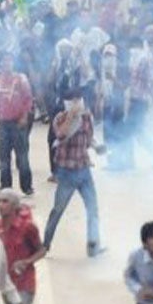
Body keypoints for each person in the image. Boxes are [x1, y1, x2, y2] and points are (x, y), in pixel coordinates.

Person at [43, 89, 104, 257]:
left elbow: (89, 138)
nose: (78, 103)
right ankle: (45, 245)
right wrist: (71, 116)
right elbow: (61, 134)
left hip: (83, 169)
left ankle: (93, 246)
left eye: (80, 99)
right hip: (67, 172)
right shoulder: (60, 118)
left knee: (93, 209)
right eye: (73, 100)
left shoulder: (87, 117)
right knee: (58, 210)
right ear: (67, 103)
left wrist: (96, 146)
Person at [0, 50, 34, 195]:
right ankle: (5, 186)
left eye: (9, 60)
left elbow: (28, 99)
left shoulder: (21, 79)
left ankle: (27, 186)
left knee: (22, 157)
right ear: (0, 64)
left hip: (18, 123)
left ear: (13, 63)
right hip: (3, 123)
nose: (6, 63)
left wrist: (24, 117)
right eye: (4, 60)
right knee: (3, 157)